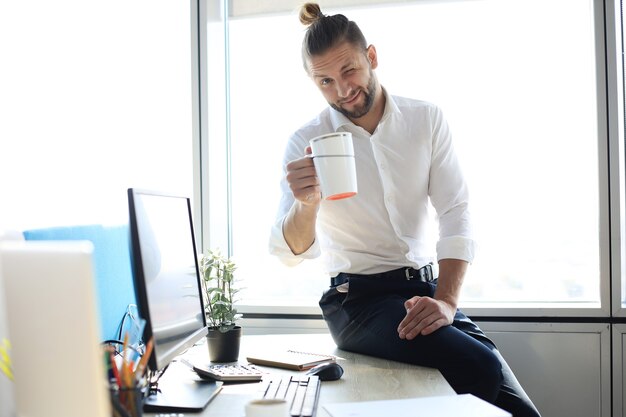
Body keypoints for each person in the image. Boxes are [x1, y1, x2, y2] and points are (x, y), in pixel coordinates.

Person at [268, 3, 541, 417]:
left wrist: (447, 301)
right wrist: (307, 205)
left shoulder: (425, 119)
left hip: (425, 289)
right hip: (355, 302)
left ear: (371, 57)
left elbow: (455, 210)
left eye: (349, 71)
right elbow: (290, 252)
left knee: (518, 408)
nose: (342, 90)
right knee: (478, 366)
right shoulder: (306, 140)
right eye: (325, 81)